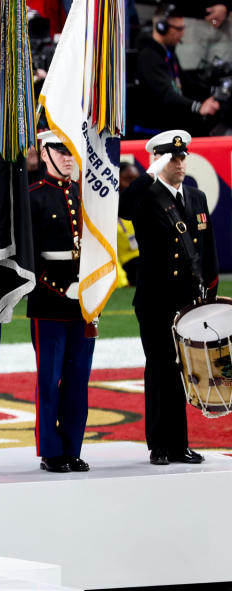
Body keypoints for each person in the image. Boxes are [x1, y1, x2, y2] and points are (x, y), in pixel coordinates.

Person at [119, 130, 218, 465]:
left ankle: (180, 444)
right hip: (156, 300)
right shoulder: (146, 196)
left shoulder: (196, 196)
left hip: (187, 302)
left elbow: (207, 252)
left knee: (184, 372)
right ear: (158, 159)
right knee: (160, 369)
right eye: (173, 157)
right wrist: (149, 173)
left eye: (182, 156)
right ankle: (159, 443)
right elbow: (125, 207)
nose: (180, 162)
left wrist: (210, 295)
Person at [27, 131, 95, 473]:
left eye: (71, 151)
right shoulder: (34, 196)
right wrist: (59, 287)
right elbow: (30, 257)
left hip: (83, 303)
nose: (68, 157)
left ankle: (72, 446)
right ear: (44, 152)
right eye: (60, 150)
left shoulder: (84, 196)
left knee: (78, 378)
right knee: (50, 377)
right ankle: (51, 450)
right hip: (49, 302)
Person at [133, 4, 220, 136]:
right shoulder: (148, 55)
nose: (183, 33)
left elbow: (186, 83)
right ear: (162, 28)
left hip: (169, 128)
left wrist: (214, 91)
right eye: (179, 29)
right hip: (153, 134)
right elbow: (166, 95)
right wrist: (199, 107)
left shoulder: (167, 51)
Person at [174, 3, 232, 71]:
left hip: (222, 24)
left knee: (224, 74)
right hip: (190, 24)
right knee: (189, 74)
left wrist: (225, 6)